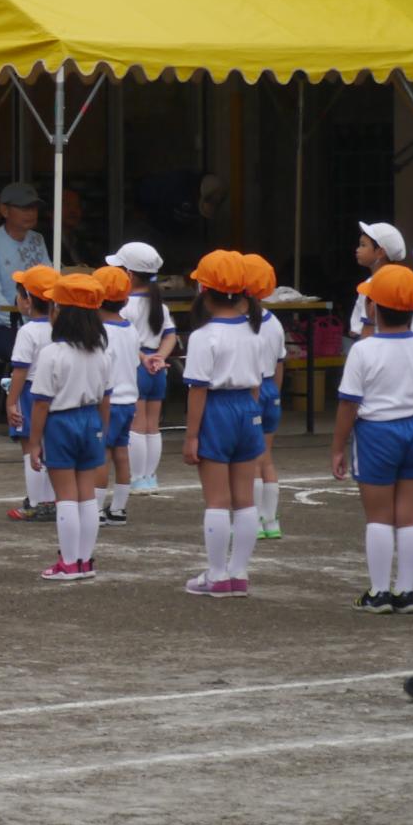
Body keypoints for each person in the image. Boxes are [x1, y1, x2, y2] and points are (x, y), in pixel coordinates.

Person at [332, 265, 413, 614]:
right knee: (408, 516)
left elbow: (349, 404)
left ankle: (378, 592)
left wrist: (337, 447)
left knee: (378, 516)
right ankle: (406, 593)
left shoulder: (363, 350)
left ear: (373, 307)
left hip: (376, 433)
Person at [181, 251, 268, 599]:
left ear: (204, 288)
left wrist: (191, 436)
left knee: (216, 499)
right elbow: (257, 383)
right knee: (244, 499)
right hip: (247, 409)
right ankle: (239, 573)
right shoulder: (253, 330)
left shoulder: (204, 335)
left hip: (216, 411)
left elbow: (197, 389)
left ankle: (216, 575)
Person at [27, 275, 111, 582]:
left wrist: (34, 442)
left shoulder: (52, 354)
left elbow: (40, 404)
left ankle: (69, 562)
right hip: (91, 420)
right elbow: (106, 398)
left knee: (65, 495)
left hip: (61, 423)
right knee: (86, 494)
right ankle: (85, 561)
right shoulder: (101, 350)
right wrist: (102, 430)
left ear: (59, 312)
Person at [110, 241, 175, 493]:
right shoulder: (160, 304)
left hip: (136, 367)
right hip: (157, 368)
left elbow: (126, 338)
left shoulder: (124, 306)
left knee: (136, 425)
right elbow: (169, 335)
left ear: (128, 275)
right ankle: (150, 476)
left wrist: (142, 358)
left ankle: (137, 478)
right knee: (151, 424)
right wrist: (159, 357)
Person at [0, 181, 49, 361]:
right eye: (24, 208)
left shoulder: (38, 239)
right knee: (32, 348)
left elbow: (48, 279)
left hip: (32, 322)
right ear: (4, 211)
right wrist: (20, 319)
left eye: (34, 208)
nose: (31, 213)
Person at [5, 266, 58, 523]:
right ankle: (49, 500)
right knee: (48, 447)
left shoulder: (27, 332)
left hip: (30, 391)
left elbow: (20, 370)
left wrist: (11, 400)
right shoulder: (60, 327)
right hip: (56, 392)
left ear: (27, 300)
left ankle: (35, 502)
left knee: (30, 447)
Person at [245, 255, 289, 541]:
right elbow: (280, 364)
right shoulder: (275, 322)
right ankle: (270, 520)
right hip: (271, 389)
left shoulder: (241, 324)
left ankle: (254, 520)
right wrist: (276, 395)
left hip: (249, 391)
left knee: (250, 460)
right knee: (266, 458)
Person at [94, 266, 138, 527]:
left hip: (108, 400)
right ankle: (119, 508)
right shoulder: (130, 329)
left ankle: (97, 509)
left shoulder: (100, 332)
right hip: (129, 399)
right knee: (121, 452)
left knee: (102, 454)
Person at [350, 221, 406, 339]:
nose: (357, 249)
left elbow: (367, 328)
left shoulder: (372, 285)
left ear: (380, 252)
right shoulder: (397, 282)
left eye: (363, 245)